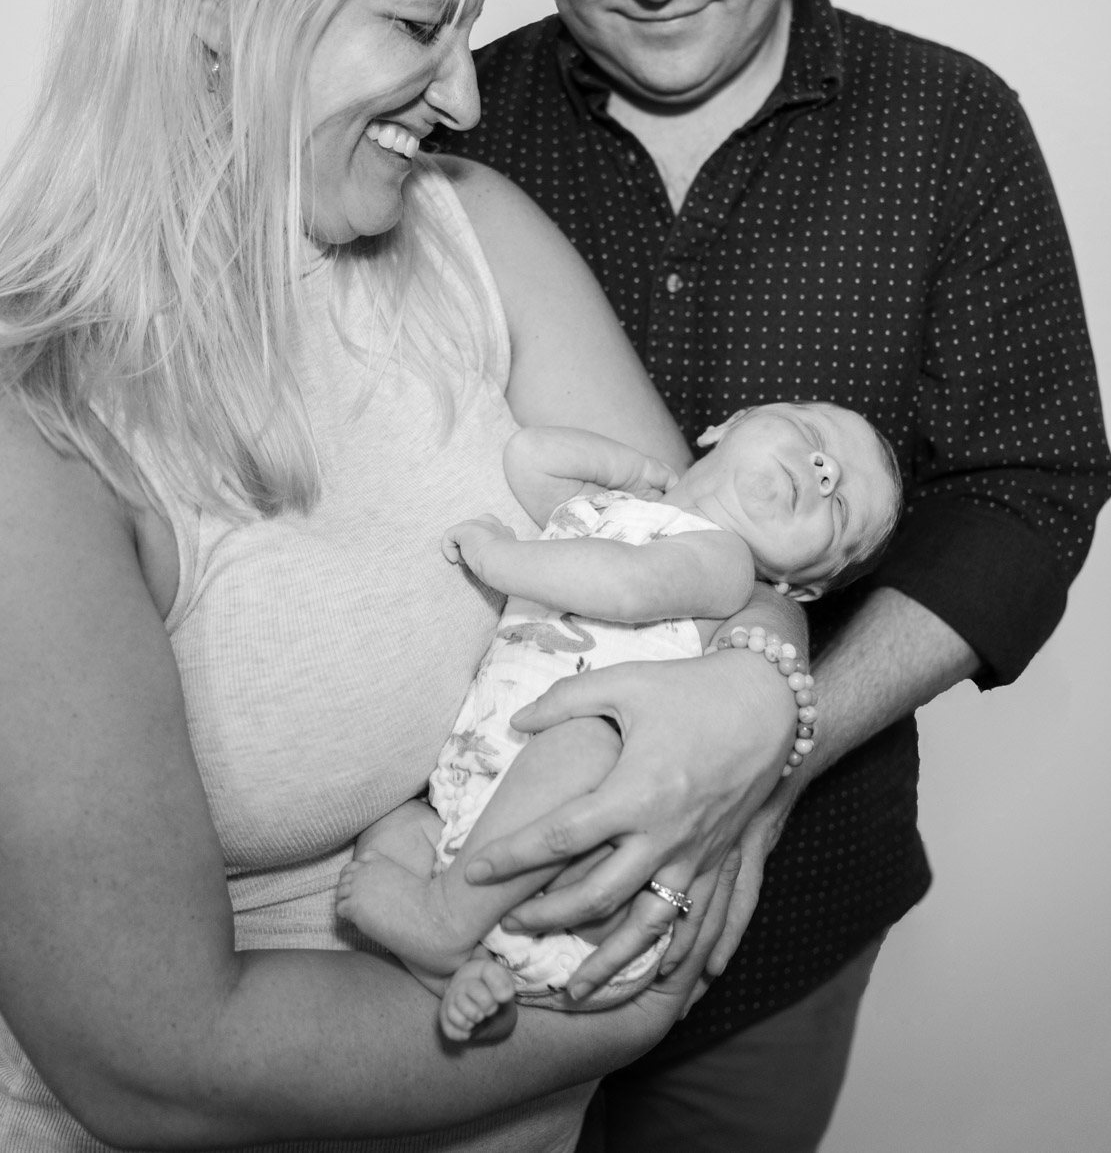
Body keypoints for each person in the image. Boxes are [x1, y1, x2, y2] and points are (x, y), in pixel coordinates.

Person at [0, 0, 816, 1152]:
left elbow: (720, 559)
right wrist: (625, 1009)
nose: (464, 93)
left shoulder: (468, 234)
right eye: (411, 25)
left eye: (464, 24)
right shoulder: (42, 430)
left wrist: (756, 701)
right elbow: (157, 1058)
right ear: (215, 5)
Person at [436, 0, 1111, 1152]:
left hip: (783, 923)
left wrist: (766, 744)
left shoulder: (951, 126)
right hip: (448, 893)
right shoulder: (447, 136)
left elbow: (1028, 489)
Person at [336, 406, 901, 1040]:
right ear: (729, 425)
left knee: (583, 740)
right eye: (812, 435)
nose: (824, 472)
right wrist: (632, 469)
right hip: (486, 804)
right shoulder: (620, 509)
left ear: (798, 590)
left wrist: (499, 558)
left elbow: (626, 586)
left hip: (585, 850)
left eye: (843, 507)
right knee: (397, 825)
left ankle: (444, 921)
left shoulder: (725, 564)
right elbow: (530, 456)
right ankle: (464, 977)